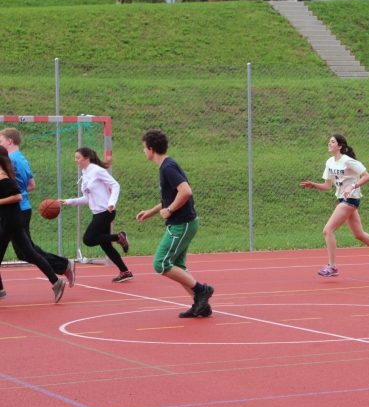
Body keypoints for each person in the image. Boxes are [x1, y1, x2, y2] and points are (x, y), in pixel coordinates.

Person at [136, 129, 213, 318]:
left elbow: (186, 191)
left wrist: (169, 211)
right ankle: (201, 305)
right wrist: (151, 212)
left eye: (144, 148)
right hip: (183, 223)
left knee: (161, 264)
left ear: (151, 149)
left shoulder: (167, 168)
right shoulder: (167, 166)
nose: (143, 151)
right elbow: (170, 198)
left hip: (182, 223)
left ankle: (202, 291)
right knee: (178, 265)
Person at [301, 134, 369, 277]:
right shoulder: (329, 162)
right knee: (358, 234)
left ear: (340, 146)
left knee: (328, 230)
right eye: (329, 141)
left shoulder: (348, 161)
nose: (329, 143)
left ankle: (332, 267)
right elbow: (327, 186)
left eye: (332, 142)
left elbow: (367, 176)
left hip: (351, 199)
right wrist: (313, 185)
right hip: (342, 199)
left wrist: (352, 186)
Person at [0, 128, 75, 287]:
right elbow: (31, 186)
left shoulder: (11, 160)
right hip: (20, 208)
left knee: (26, 251)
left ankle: (62, 266)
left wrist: (8, 195)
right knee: (26, 250)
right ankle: (61, 268)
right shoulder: (21, 158)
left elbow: (16, 190)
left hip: (14, 211)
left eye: (0, 141)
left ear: (9, 141)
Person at [58, 148, 132, 283]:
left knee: (88, 239)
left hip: (106, 211)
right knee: (105, 245)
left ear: (87, 158)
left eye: (78, 158)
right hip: (97, 213)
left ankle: (119, 237)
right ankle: (125, 271)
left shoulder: (97, 171)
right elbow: (87, 198)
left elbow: (115, 185)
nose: (76, 160)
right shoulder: (85, 173)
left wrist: (112, 203)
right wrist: (68, 201)